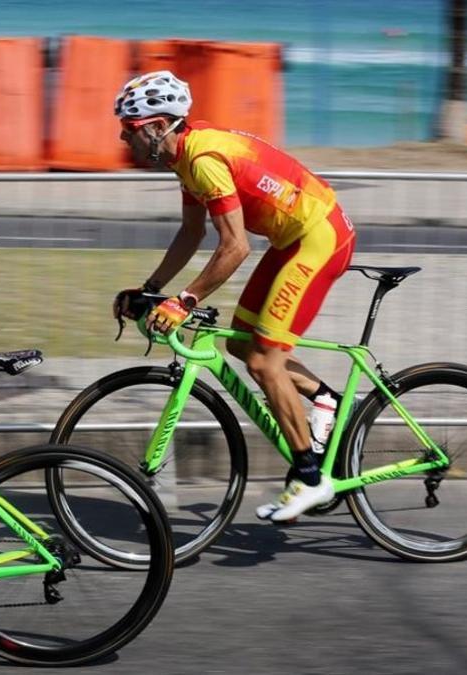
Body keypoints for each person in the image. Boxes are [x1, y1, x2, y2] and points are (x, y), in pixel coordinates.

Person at [112, 71, 356, 522]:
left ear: (155, 126)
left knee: (265, 362)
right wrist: (150, 290)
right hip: (292, 240)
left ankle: (311, 478)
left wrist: (182, 301)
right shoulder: (183, 157)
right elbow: (191, 232)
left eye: (128, 130)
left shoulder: (202, 159)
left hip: (319, 238)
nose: (122, 139)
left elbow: (236, 246)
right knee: (241, 344)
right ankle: (326, 401)